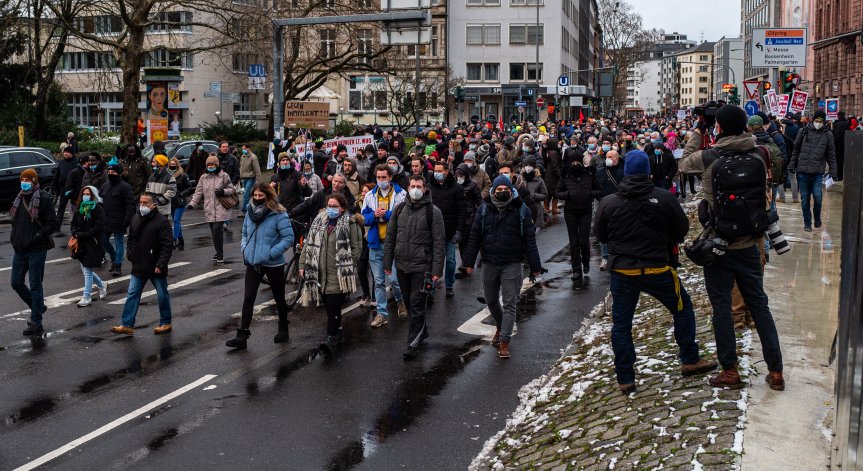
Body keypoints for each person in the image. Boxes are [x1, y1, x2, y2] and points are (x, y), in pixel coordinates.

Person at [679, 104, 785, 391]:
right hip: (751, 243)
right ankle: (776, 372)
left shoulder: (711, 155)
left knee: (722, 308)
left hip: (719, 245)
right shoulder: (760, 153)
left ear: (719, 128)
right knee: (760, 306)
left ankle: (730, 371)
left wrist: (698, 131)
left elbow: (684, 162)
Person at [594, 151, 717, 394]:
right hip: (658, 268)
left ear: (626, 171)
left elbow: (601, 236)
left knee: (621, 324)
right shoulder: (664, 198)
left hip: (623, 271)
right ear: (647, 171)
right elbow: (681, 229)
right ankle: (690, 358)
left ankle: (625, 377)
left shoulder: (609, 202)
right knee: (682, 308)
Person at [462, 175, 542, 359]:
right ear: (493, 191)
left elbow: (530, 240)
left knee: (509, 304)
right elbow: (474, 237)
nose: (502, 192)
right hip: (490, 262)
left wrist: (535, 266)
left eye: (505, 189)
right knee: (490, 300)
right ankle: (500, 325)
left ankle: (504, 340)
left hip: (512, 263)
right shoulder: (484, 209)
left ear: (511, 190)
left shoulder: (521, 209)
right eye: (499, 190)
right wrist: (468, 262)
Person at [226, 183, 295, 349]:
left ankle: (283, 327)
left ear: (268, 196)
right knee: (249, 297)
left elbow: (289, 238)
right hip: (253, 262)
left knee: (278, 296)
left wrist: (271, 253)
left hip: (273, 263)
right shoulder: (249, 212)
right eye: (255, 196)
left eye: (261, 196)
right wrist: (245, 249)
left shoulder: (278, 213)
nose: (257, 199)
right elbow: (244, 233)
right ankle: (242, 335)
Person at [384, 176, 445, 359]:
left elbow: (438, 243)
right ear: (408, 188)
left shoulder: (433, 212)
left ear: (425, 189)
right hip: (402, 265)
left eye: (419, 186)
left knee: (417, 304)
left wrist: (436, 271)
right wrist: (388, 263)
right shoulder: (399, 209)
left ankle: (413, 342)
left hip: (422, 266)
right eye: (412, 186)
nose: (415, 189)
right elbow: (390, 237)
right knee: (409, 303)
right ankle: (422, 330)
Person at [299, 193, 363, 355]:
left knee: (334, 306)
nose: (331, 209)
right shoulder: (319, 220)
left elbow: (356, 248)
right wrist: (302, 265)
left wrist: (348, 264)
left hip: (339, 273)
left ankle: (329, 337)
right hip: (320, 272)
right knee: (328, 307)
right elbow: (308, 246)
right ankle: (338, 332)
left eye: (335, 206)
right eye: (329, 205)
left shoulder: (350, 223)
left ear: (342, 208)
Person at [111, 194, 173, 336]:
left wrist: (161, 264)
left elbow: (167, 245)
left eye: (146, 203)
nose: (142, 205)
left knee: (162, 294)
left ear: (153, 205)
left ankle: (165, 322)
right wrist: (130, 254)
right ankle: (127, 324)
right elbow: (131, 238)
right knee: (132, 293)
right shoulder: (136, 217)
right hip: (139, 264)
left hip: (155, 266)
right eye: (141, 202)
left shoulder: (161, 221)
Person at [10, 169, 59, 336]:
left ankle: (36, 321)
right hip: (20, 248)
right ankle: (38, 307)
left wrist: (38, 236)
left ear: (34, 181)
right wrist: (14, 237)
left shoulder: (43, 198)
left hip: (36, 248)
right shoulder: (19, 197)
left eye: (28, 179)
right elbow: (15, 222)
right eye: (22, 178)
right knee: (16, 282)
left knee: (35, 284)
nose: (24, 181)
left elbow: (52, 223)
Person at [361, 164, 408, 326]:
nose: (381, 180)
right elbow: (363, 218)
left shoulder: (401, 195)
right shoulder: (369, 196)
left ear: (390, 177)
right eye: (378, 177)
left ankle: (400, 301)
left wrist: (387, 214)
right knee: (379, 281)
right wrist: (374, 215)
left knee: (394, 279)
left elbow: (405, 217)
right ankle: (381, 313)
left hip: (394, 245)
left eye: (384, 177)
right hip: (375, 244)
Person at [788, 110, 839, 231]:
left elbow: (831, 155)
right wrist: (792, 165)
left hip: (817, 172)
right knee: (805, 199)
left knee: (817, 197)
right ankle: (807, 223)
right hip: (803, 171)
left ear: (824, 122)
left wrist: (833, 172)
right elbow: (796, 150)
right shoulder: (803, 131)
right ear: (812, 120)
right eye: (817, 120)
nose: (818, 123)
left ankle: (817, 217)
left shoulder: (828, 135)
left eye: (821, 121)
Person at [556, 150, 601, 286]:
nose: (575, 164)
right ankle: (576, 269)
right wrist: (568, 194)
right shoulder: (566, 176)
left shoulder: (589, 175)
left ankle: (586, 261)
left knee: (583, 241)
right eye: (573, 162)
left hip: (585, 211)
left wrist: (588, 193)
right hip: (570, 212)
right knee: (574, 242)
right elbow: (558, 192)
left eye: (577, 162)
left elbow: (599, 190)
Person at [187, 156, 236, 264]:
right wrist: (192, 204)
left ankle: (220, 254)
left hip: (221, 208)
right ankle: (217, 251)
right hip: (209, 208)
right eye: (208, 165)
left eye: (212, 165)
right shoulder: (203, 178)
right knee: (214, 233)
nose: (210, 166)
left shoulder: (224, 176)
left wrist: (223, 192)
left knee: (217, 230)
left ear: (217, 165)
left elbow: (232, 189)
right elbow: (198, 192)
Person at [429, 160, 466, 298]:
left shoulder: (456, 188)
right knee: (432, 262)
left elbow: (462, 210)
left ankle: (449, 285)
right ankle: (430, 288)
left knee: (450, 261)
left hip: (449, 232)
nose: (437, 173)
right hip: (433, 232)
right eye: (435, 171)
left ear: (446, 171)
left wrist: (459, 231)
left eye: (440, 171)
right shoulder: (429, 187)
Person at [70, 186, 107, 307]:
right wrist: (75, 232)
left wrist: (83, 234)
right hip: (81, 244)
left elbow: (98, 227)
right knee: (85, 269)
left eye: (88, 194)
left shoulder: (98, 209)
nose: (86, 196)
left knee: (87, 271)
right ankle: (102, 285)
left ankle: (86, 296)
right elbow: (73, 223)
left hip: (93, 244)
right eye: (84, 194)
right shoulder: (80, 208)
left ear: (93, 196)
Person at [100, 164, 135, 275]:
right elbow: (100, 202)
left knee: (119, 242)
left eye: (113, 172)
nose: (111, 174)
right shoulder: (105, 186)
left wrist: (127, 219)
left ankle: (118, 265)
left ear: (119, 173)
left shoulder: (125, 187)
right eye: (109, 172)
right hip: (106, 220)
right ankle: (114, 258)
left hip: (119, 220)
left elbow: (130, 205)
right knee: (103, 241)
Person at [596, 149, 625, 271]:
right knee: (604, 230)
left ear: (617, 158)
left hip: (619, 204)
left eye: (611, 156)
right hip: (605, 204)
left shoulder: (622, 172)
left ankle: (619, 255)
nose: (608, 159)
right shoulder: (601, 172)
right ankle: (605, 257)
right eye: (607, 156)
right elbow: (597, 187)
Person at [455, 163, 482, 257]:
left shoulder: (473, 185)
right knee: (461, 242)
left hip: (470, 217)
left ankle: (466, 263)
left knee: (467, 240)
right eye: (458, 175)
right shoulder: (455, 185)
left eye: (461, 176)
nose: (459, 177)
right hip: (458, 217)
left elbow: (479, 201)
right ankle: (464, 261)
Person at [168, 157, 193, 250]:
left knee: (176, 221)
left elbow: (190, 188)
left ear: (177, 165)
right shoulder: (167, 176)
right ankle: (181, 239)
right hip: (171, 201)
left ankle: (174, 240)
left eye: (174, 164)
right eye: (171, 164)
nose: (172, 166)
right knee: (175, 220)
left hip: (180, 201)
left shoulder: (183, 175)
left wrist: (182, 194)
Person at [519, 156, 549, 229]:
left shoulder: (539, 180)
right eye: (526, 165)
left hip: (535, 208)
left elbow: (545, 195)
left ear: (534, 167)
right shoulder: (520, 179)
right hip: (521, 208)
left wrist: (533, 195)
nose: (528, 167)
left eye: (530, 166)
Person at [54, 147, 78, 226]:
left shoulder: (76, 162)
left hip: (73, 188)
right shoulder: (61, 162)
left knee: (75, 207)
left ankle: (76, 225)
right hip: (63, 187)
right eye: (64, 152)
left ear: (71, 153)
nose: (65, 153)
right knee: (61, 207)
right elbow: (57, 173)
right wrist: (53, 184)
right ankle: (57, 225)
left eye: (67, 152)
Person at [238, 143, 262, 215]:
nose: (243, 150)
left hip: (251, 178)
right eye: (242, 149)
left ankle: (245, 211)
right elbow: (241, 167)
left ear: (249, 149)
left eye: (244, 149)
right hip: (244, 178)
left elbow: (257, 169)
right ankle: (251, 208)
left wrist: (259, 180)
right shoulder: (243, 156)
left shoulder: (253, 157)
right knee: (248, 195)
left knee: (246, 195)